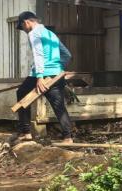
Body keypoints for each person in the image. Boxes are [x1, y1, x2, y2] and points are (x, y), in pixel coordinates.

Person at [10, 11, 73, 144]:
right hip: (56, 75)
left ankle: (26, 132)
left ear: (26, 22)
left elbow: (38, 55)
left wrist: (40, 77)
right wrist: (57, 67)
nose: (24, 31)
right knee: (59, 106)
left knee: (21, 93)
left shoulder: (34, 33)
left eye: (22, 28)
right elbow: (67, 54)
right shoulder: (51, 34)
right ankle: (68, 137)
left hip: (41, 75)